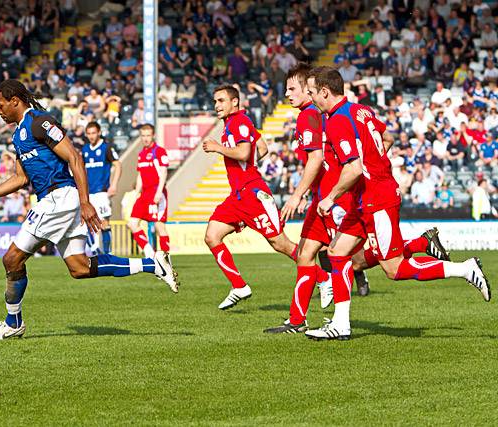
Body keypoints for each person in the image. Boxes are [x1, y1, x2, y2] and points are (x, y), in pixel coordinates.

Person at [0, 80, 178, 341]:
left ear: (15, 101)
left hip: (58, 199)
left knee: (12, 259)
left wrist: (85, 202)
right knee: (79, 268)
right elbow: (20, 178)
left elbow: (74, 157)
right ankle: (153, 264)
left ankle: (13, 322)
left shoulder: (40, 122)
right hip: (55, 201)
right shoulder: (18, 135)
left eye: (0, 105)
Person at [304, 67, 489, 340]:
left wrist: (331, 197)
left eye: (311, 92)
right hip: (366, 197)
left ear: (324, 91)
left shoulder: (336, 120)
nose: (310, 98)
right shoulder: (360, 111)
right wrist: (374, 166)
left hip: (376, 199)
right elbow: (386, 139)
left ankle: (465, 269)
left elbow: (354, 169)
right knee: (337, 253)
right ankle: (340, 324)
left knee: (395, 269)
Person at [263, 64, 372, 334]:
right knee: (306, 254)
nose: (287, 94)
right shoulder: (315, 114)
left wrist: (295, 196)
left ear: (309, 91)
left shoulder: (309, 116)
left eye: (292, 89)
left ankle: (413, 245)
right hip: (323, 197)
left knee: (359, 258)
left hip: (332, 198)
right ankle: (297, 321)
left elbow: (317, 158)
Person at [201, 84, 330, 310]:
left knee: (280, 243)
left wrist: (218, 148)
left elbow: (244, 152)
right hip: (238, 196)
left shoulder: (238, 122)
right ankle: (239, 286)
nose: (216, 106)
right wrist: (247, 164)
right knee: (212, 235)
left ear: (234, 102)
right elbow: (261, 148)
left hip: (252, 194)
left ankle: (323, 278)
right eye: (215, 102)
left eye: (221, 101)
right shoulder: (237, 122)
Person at [127, 124, 171, 259]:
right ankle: (149, 251)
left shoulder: (159, 151)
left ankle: (166, 258)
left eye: (148, 135)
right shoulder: (141, 154)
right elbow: (140, 175)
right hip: (144, 194)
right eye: (143, 135)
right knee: (132, 223)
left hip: (157, 193)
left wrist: (159, 192)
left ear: (153, 135)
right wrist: (136, 193)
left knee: (159, 226)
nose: (145, 138)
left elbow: (163, 172)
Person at [83, 122, 121, 254]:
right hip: (88, 193)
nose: (91, 136)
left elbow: (118, 165)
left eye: (94, 133)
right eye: (89, 133)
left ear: (99, 133)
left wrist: (114, 185)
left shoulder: (106, 148)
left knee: (104, 223)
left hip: (101, 192)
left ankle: (108, 253)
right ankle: (95, 250)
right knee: (87, 223)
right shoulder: (85, 150)